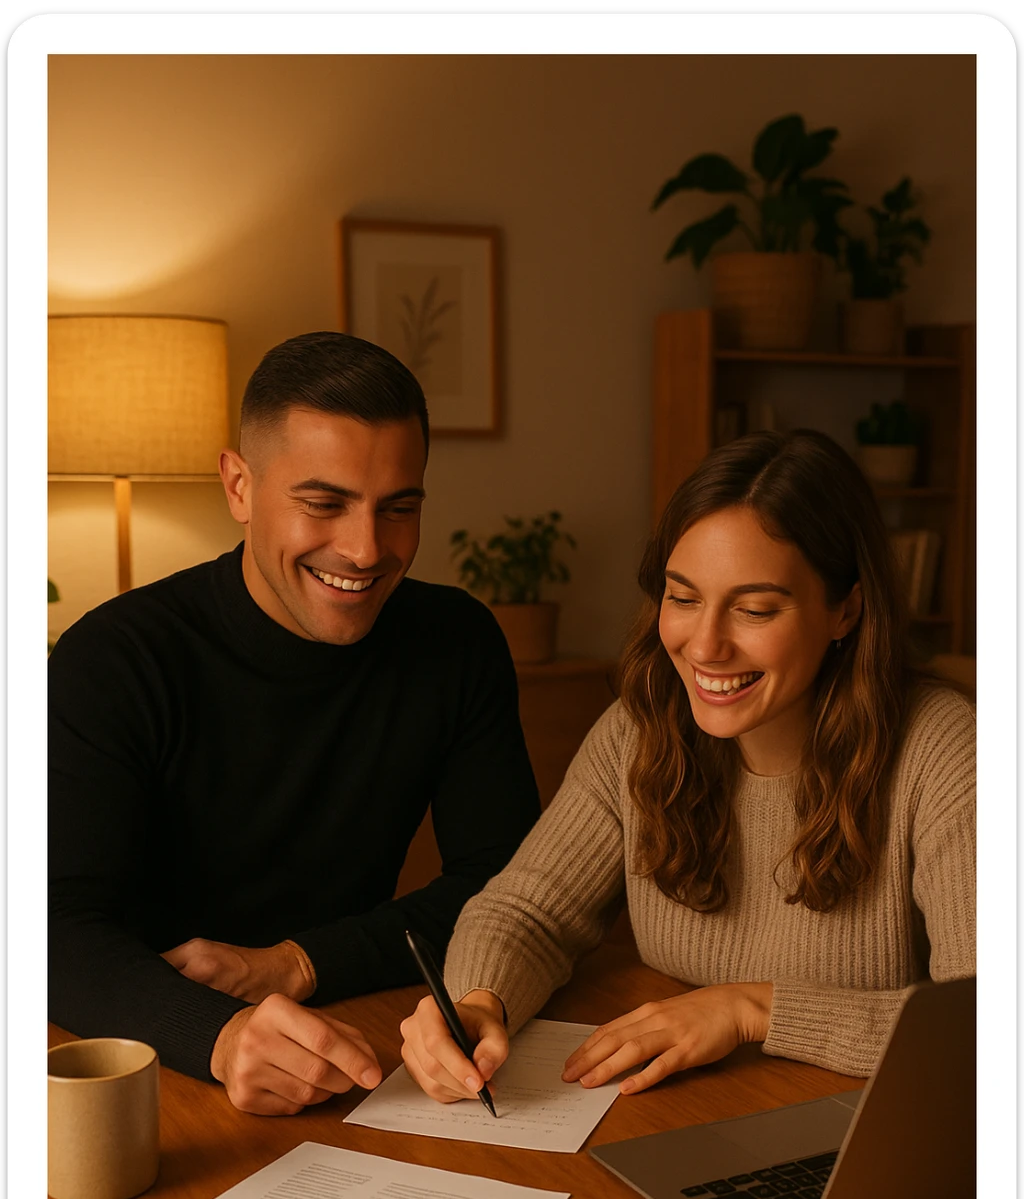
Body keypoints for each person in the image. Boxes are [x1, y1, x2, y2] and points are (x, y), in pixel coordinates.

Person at [399, 429, 976, 1104]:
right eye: (683, 597)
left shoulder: (945, 755)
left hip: (870, 1136)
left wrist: (750, 1011)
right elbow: (528, 910)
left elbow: (981, 1029)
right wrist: (477, 1002)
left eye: (755, 608)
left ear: (845, 608)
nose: (704, 646)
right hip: (691, 1112)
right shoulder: (640, 731)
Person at [49, 331, 540, 1115]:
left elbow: (509, 886)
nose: (365, 548)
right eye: (324, 504)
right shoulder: (113, 659)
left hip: (355, 1040)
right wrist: (220, 1033)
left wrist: (299, 964)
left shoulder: (456, 642)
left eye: (399, 508)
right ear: (239, 486)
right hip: (137, 1061)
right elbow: (52, 929)